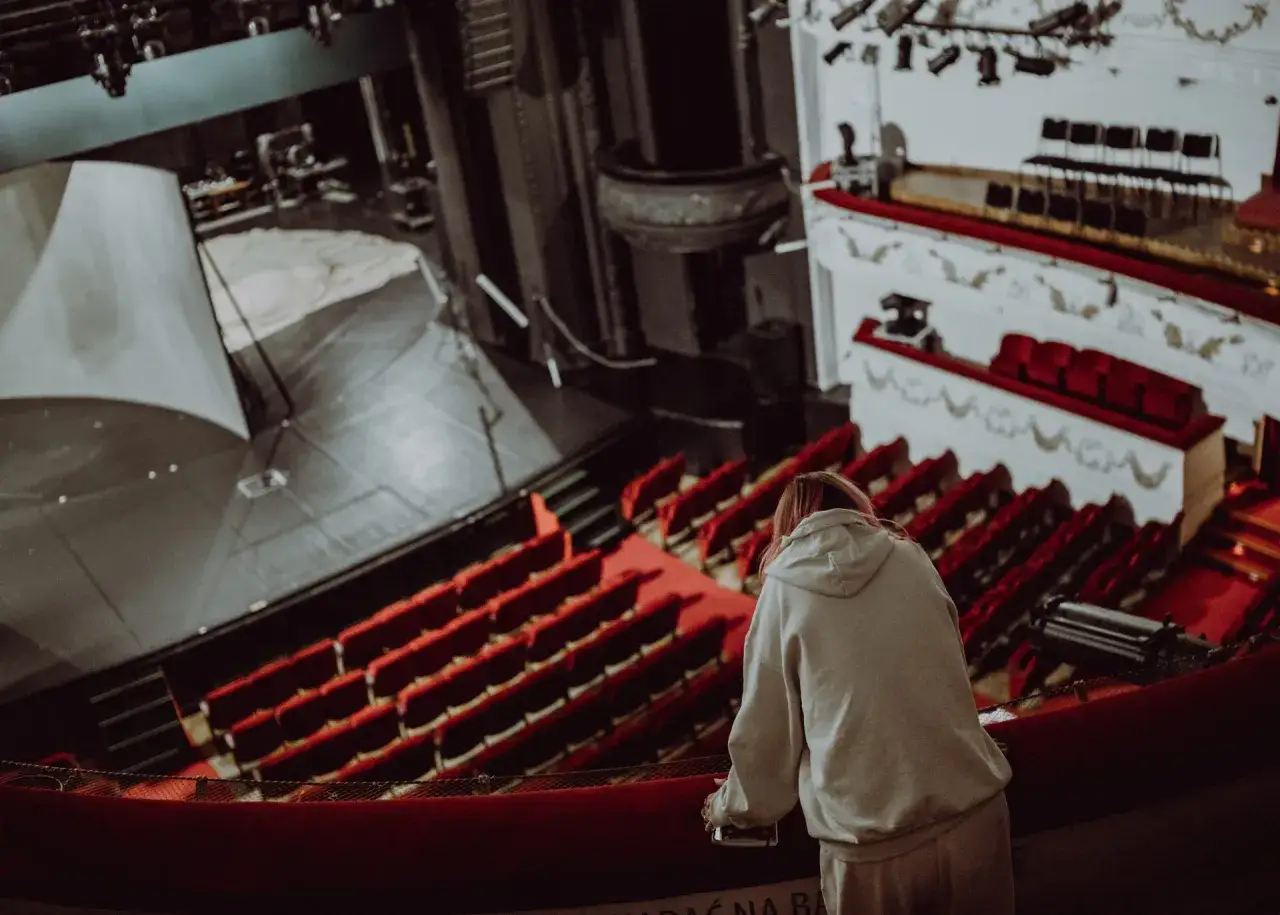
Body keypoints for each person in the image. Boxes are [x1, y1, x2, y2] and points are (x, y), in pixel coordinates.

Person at [702, 470, 1014, 915]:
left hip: (872, 846)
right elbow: (947, 669)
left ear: (788, 525)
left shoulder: (783, 590)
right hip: (976, 813)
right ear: (854, 508)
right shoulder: (910, 556)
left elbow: (767, 733)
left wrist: (730, 808)